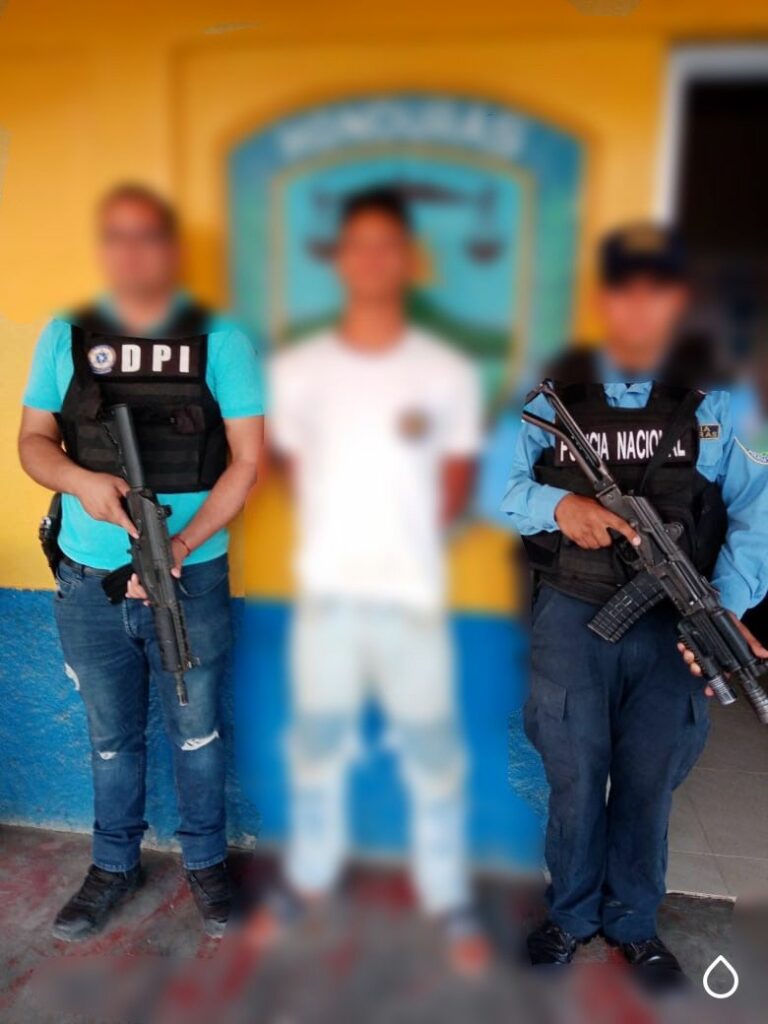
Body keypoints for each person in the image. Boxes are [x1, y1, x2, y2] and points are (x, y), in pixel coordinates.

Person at [504, 223, 768, 990]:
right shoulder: (546, 391)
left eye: (659, 292)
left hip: (673, 622)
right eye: (625, 291)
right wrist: (559, 508)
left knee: (649, 780)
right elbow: (489, 482)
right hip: (571, 612)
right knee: (574, 774)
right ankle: (569, 916)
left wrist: (724, 605)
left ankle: (633, 925)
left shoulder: (722, 399)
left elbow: (759, 508)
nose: (640, 308)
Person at [18, 184, 265, 940]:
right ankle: (112, 864)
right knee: (109, 737)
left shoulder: (220, 337)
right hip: (87, 579)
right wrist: (81, 481)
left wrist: (180, 546)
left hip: (189, 574)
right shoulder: (67, 334)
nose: (132, 253)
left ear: (172, 250)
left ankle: (205, 863)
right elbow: (32, 443)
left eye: (148, 237)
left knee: (197, 731)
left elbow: (248, 462)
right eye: (117, 237)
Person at [260, 187, 489, 973]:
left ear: (409, 259)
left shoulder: (446, 371)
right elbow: (290, 469)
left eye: (388, 244)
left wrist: (397, 546)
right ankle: (307, 881)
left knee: (434, 756)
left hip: (412, 602)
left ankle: (448, 897)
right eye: (357, 244)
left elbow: (456, 481)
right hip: (326, 599)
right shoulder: (299, 370)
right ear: (340, 259)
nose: (372, 259)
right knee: (316, 750)